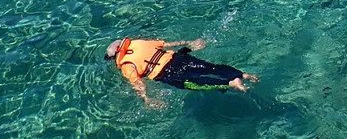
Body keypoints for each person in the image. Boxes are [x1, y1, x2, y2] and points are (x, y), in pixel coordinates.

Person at [104, 37, 258, 107]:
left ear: (116, 56)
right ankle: (241, 74)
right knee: (210, 67)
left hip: (168, 74)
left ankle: (231, 83)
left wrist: (146, 99)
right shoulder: (138, 43)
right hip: (178, 58)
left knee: (197, 83)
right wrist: (190, 43)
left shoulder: (126, 65)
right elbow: (168, 43)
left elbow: (138, 83)